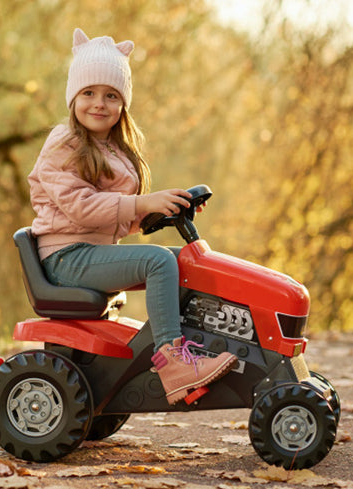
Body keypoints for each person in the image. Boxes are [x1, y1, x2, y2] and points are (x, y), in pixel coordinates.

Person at [28, 28, 236, 405]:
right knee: (158, 261)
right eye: (89, 93)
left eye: (111, 95)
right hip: (66, 258)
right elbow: (81, 208)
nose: (99, 103)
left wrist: (167, 207)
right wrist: (142, 204)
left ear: (123, 103)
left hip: (90, 253)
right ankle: (173, 359)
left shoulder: (114, 150)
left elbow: (116, 218)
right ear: (73, 96)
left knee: (183, 260)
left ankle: (198, 345)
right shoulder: (64, 142)